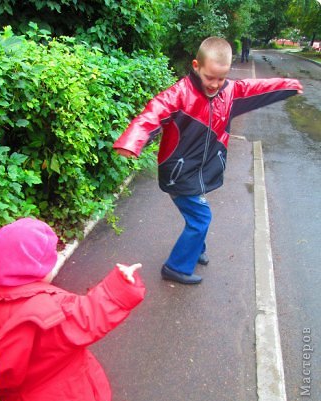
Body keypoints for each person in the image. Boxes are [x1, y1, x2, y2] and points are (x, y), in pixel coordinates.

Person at [114, 36, 303, 285]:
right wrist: (131, 141)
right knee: (201, 217)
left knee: (197, 216)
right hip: (179, 173)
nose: (215, 84)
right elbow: (153, 113)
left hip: (202, 169)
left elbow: (259, 88)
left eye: (221, 78)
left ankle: (195, 249)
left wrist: (289, 85)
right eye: (209, 77)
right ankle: (176, 267)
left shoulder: (229, 92)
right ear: (196, 66)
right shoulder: (180, 94)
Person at [0, 218, 145, 401]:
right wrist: (121, 283)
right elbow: (90, 314)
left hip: (13, 397)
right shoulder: (52, 306)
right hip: (58, 393)